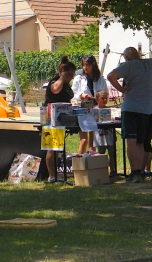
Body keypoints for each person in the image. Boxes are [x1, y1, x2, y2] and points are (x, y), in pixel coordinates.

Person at [107, 47, 152, 183]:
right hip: (146, 109)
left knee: (131, 142)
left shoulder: (127, 66)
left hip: (130, 108)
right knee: (140, 142)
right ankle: (140, 171)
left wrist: (122, 89)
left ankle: (133, 173)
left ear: (126, 57)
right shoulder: (151, 64)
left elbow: (110, 76)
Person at [43, 55, 77, 183]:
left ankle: (58, 174)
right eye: (70, 75)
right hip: (52, 118)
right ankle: (52, 176)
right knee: (52, 147)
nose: (71, 78)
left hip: (63, 117)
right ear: (63, 73)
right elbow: (55, 90)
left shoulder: (67, 84)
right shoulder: (55, 81)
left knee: (58, 148)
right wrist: (62, 77)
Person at [72, 55, 108, 155]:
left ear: (93, 65)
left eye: (87, 65)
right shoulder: (79, 78)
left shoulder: (100, 79)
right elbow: (72, 94)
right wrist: (81, 95)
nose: (85, 68)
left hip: (97, 111)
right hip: (83, 111)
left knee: (93, 143)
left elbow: (105, 94)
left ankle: (91, 165)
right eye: (83, 65)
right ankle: (79, 165)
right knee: (84, 141)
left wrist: (98, 98)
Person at [93, 90, 116, 176]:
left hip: (109, 136)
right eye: (102, 98)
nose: (104, 100)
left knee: (112, 154)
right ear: (97, 99)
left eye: (106, 98)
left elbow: (113, 122)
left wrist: (115, 135)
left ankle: (113, 170)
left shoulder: (109, 109)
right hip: (100, 137)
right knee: (100, 154)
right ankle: (101, 171)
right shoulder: (94, 110)